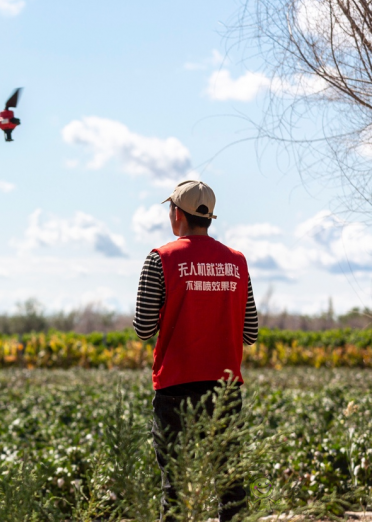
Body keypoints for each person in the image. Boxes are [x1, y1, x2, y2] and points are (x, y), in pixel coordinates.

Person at [132, 180, 259, 522]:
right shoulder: (237, 261)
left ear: (177, 214)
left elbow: (143, 328)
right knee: (229, 484)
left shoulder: (160, 258)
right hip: (225, 388)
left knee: (175, 487)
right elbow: (251, 333)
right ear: (208, 217)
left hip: (175, 386)